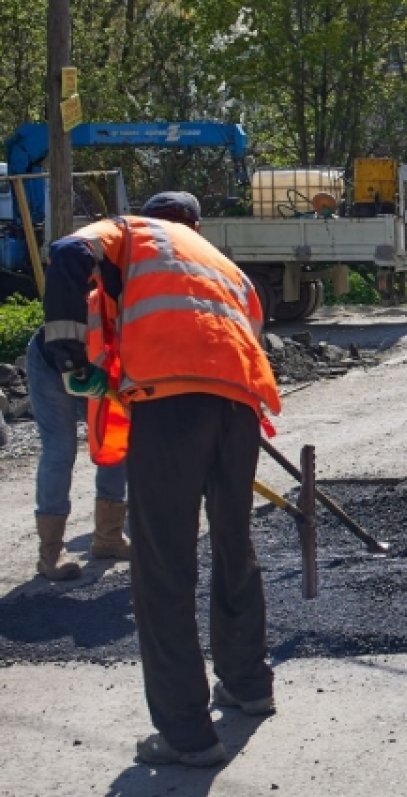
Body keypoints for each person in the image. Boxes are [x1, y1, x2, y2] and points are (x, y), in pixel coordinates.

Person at [42, 191, 282, 767]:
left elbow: (68, 252)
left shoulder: (129, 231)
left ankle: (186, 734)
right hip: (239, 408)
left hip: (171, 409)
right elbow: (244, 332)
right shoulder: (225, 267)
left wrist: (69, 354)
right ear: (195, 225)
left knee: (164, 564)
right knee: (233, 546)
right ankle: (249, 684)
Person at [27, 321, 130, 581]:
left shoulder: (131, 279)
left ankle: (109, 537)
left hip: (98, 362)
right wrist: (74, 367)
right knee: (60, 451)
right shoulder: (72, 278)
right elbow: (62, 318)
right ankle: (50, 553)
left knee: (112, 442)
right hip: (53, 360)